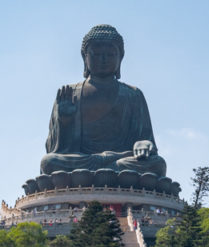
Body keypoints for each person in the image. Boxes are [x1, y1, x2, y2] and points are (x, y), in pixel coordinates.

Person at [40, 25, 167, 176]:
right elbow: (54, 149)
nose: (103, 59)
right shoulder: (70, 94)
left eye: (110, 54)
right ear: (84, 57)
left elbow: (146, 140)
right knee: (49, 162)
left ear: (121, 57)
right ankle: (108, 174)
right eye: (96, 54)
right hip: (83, 161)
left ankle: (100, 174)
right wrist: (64, 122)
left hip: (121, 159)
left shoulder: (133, 94)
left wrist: (144, 144)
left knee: (157, 164)